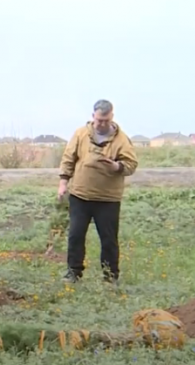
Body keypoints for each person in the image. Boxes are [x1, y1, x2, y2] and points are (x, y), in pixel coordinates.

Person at [58, 99, 138, 284]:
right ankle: (73, 273)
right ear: (93, 116)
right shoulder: (80, 134)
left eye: (106, 120)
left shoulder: (121, 139)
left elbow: (131, 164)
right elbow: (68, 158)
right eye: (99, 120)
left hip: (108, 199)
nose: (102, 124)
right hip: (80, 195)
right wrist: (63, 183)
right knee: (76, 236)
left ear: (112, 117)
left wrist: (117, 166)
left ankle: (110, 277)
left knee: (109, 240)